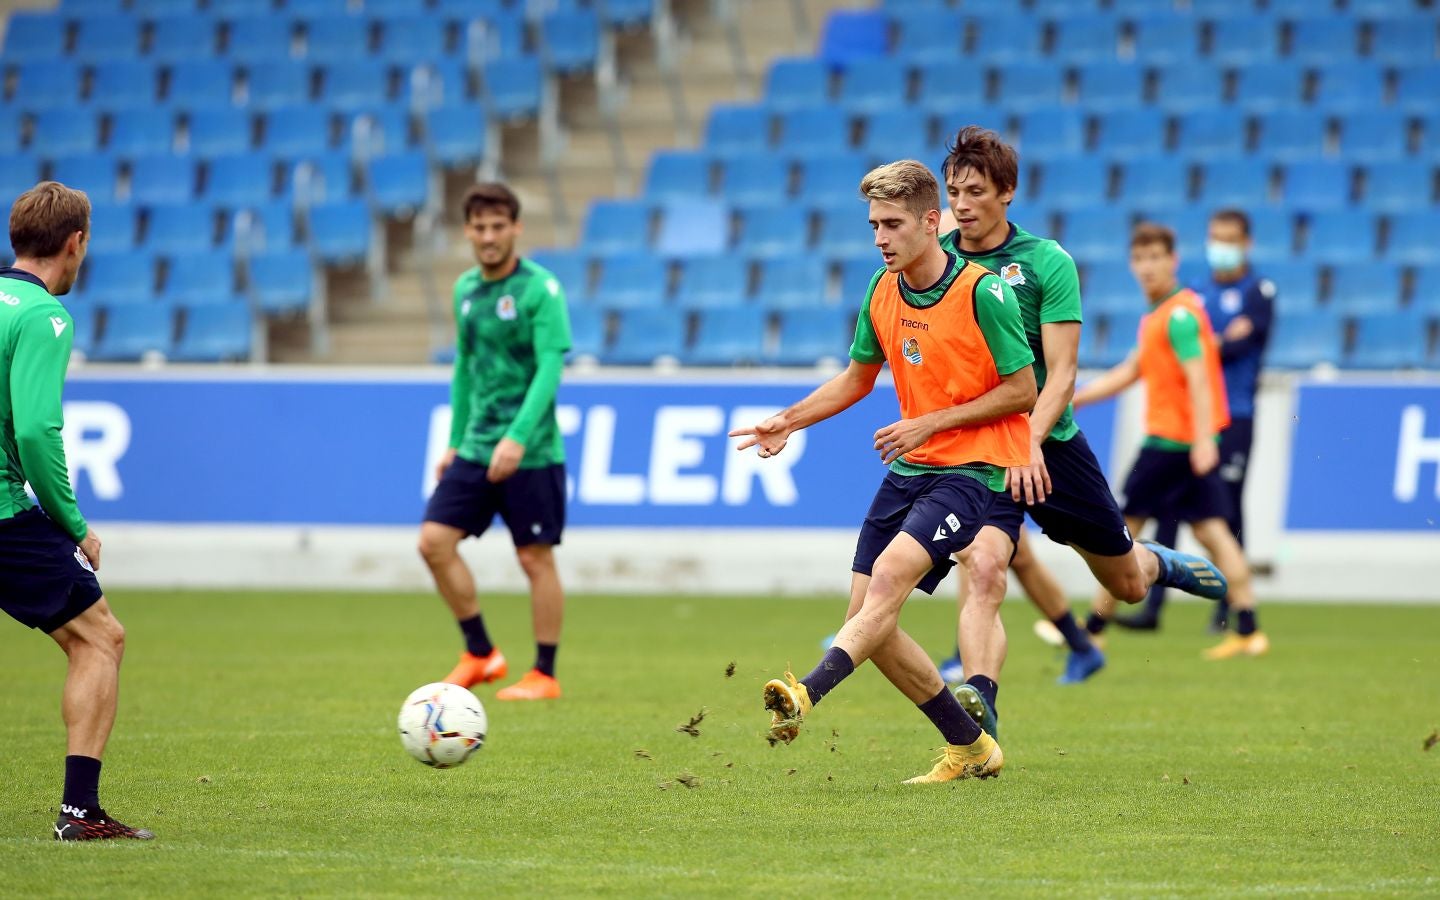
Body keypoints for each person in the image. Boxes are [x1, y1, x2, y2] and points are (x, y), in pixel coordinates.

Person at [731, 160, 1035, 784]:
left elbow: (1023, 390)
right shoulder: (881, 289)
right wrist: (789, 421)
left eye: (892, 224)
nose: (880, 238)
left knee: (889, 582)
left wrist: (932, 422)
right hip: (909, 469)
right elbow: (856, 378)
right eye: (873, 225)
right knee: (868, 622)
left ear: (930, 222)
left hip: (972, 472)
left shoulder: (984, 292)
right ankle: (971, 746)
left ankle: (805, 694)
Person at [931, 128, 1229, 732]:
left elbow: (1063, 374)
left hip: (1051, 445)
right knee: (985, 564)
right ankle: (981, 702)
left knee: (1124, 586)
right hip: (978, 450)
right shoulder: (939, 255)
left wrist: (1028, 444)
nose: (962, 204)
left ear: (1008, 192)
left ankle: (1151, 561)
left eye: (977, 192)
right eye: (954, 191)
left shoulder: (1046, 263)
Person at [1, 182, 153, 841]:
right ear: (77, 243)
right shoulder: (43, 317)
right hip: (3, 514)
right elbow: (36, 432)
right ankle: (80, 812)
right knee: (100, 638)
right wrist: (73, 524)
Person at [1073, 223, 1267, 660]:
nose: (1147, 267)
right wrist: (1079, 397)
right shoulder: (1163, 314)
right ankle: (1250, 627)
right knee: (1212, 531)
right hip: (1180, 442)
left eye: (1155, 258)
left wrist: (1202, 439)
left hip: (1171, 444)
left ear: (1173, 261)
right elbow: (1132, 370)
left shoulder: (1178, 315)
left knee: (1121, 531)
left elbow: (1200, 378)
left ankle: (1092, 627)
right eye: (1140, 259)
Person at [419, 183, 572, 701]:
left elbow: (551, 367)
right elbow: (465, 368)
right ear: (467, 231)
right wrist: (456, 439)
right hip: (476, 446)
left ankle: (544, 674)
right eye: (479, 228)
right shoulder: (465, 290)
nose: (488, 237)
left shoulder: (540, 290)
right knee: (433, 543)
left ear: (515, 229)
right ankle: (481, 652)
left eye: (497, 226)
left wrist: (517, 438)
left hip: (532, 451)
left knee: (534, 558)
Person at [1117, 209, 1274, 632]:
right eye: (1215, 238)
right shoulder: (1195, 297)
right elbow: (1214, 345)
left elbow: (1230, 350)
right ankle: (1165, 609)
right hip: (1188, 427)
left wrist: (1204, 345)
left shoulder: (1256, 291)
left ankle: (1227, 610)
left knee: (1223, 515)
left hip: (1230, 416)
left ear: (1246, 243)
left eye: (1229, 239)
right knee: (1182, 518)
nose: (1221, 247)